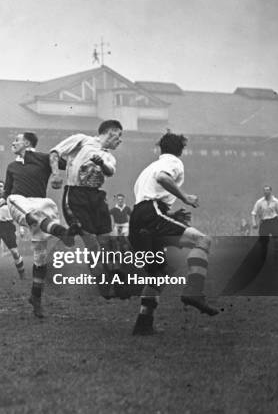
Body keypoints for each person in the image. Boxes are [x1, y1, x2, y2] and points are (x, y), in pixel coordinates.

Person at [128, 132, 218, 336]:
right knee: (202, 240)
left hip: (139, 218)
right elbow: (162, 178)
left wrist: (170, 213)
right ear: (181, 150)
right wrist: (185, 198)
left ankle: (143, 323)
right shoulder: (173, 162)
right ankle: (194, 292)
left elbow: (148, 198)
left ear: (161, 148)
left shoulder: (147, 170)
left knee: (157, 273)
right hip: (151, 213)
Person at [0, 132, 76, 318]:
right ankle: (60, 231)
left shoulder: (44, 158)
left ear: (27, 142)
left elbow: (67, 164)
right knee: (14, 198)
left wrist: (56, 168)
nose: (13, 142)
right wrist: (0, 204)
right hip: (19, 203)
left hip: (40, 205)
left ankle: (36, 297)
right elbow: (7, 192)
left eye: (17, 140)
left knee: (40, 257)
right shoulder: (12, 166)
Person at [50, 120, 123, 247]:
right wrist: (56, 174)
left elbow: (110, 171)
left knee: (107, 241)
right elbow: (55, 152)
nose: (120, 140)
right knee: (91, 242)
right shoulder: (82, 140)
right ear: (111, 132)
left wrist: (101, 163)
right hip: (76, 194)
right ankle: (94, 261)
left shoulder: (110, 157)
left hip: (97, 196)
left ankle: (111, 266)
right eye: (119, 135)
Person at [251, 185, 278, 259]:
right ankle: (263, 259)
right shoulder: (259, 202)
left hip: (274, 221)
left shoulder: (276, 201)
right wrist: (254, 223)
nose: (266, 192)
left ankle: (277, 259)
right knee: (263, 242)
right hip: (264, 223)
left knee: (277, 241)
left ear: (271, 191)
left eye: (268, 190)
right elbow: (253, 213)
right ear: (263, 192)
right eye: (265, 190)